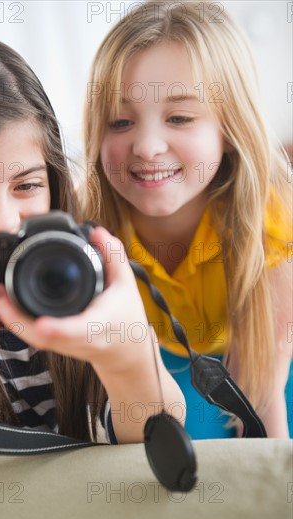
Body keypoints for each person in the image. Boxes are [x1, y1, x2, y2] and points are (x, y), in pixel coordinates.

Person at [0, 33, 186, 476]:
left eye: (27, 185)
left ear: (55, 184)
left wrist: (129, 354)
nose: (4, 220)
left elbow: (156, 450)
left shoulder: (71, 282)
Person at [83, 1, 292, 438]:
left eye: (179, 117)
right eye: (120, 121)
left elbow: (266, 408)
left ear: (231, 132)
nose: (147, 146)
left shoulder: (276, 223)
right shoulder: (86, 231)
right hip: (160, 365)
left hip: (265, 361)